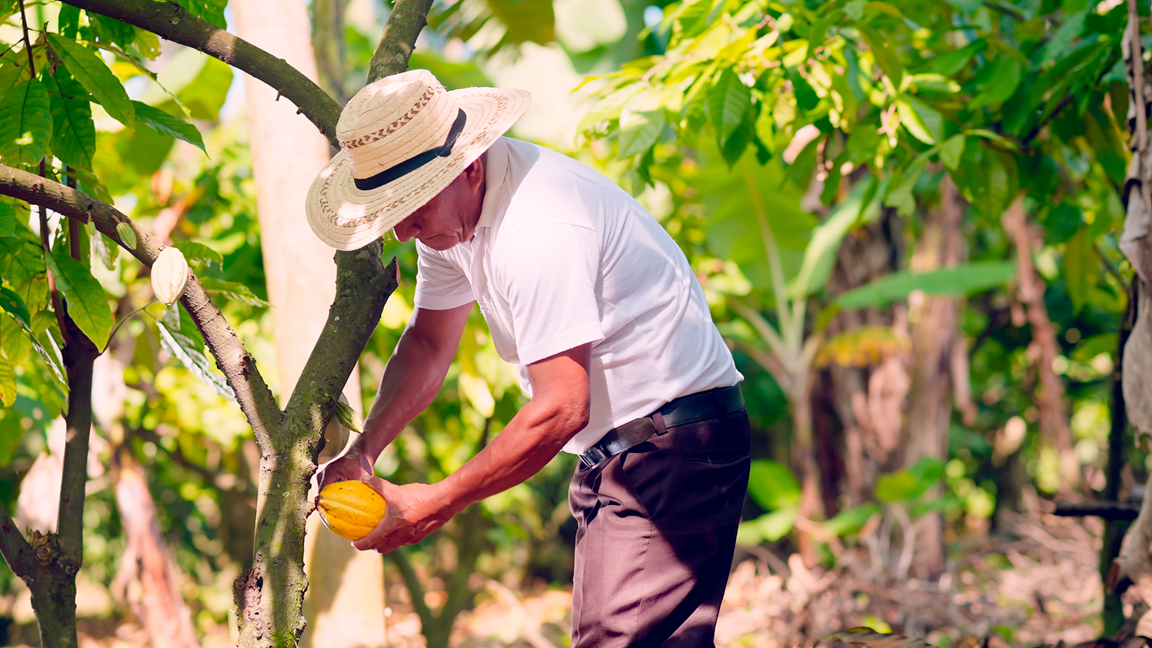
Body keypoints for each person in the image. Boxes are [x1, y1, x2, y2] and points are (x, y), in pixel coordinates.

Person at [307, 69, 751, 647]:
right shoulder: (450, 221)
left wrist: (434, 503)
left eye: (413, 208)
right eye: (393, 212)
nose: (404, 230)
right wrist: (363, 450)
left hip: (672, 447)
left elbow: (560, 407)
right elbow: (429, 342)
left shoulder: (537, 226)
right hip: (620, 452)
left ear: (467, 168)